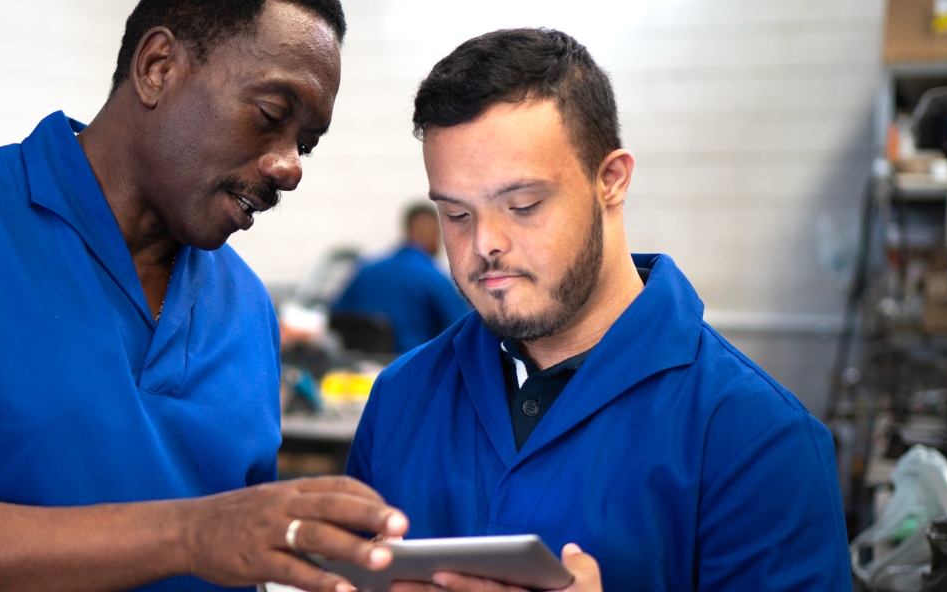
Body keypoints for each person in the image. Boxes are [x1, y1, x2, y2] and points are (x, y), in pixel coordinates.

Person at [0, 2, 410, 591]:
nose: (289, 166)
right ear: (157, 67)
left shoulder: (246, 307)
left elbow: (242, 558)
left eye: (306, 144)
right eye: (270, 116)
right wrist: (187, 535)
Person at [345, 28, 850, 591]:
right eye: (457, 215)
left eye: (524, 205)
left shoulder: (756, 437)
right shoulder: (400, 398)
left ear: (611, 181)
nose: (485, 243)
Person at [334, 203, 469, 352]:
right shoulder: (434, 278)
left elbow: (335, 317)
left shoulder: (365, 269)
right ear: (434, 232)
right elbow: (465, 329)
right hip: (413, 367)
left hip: (361, 368)